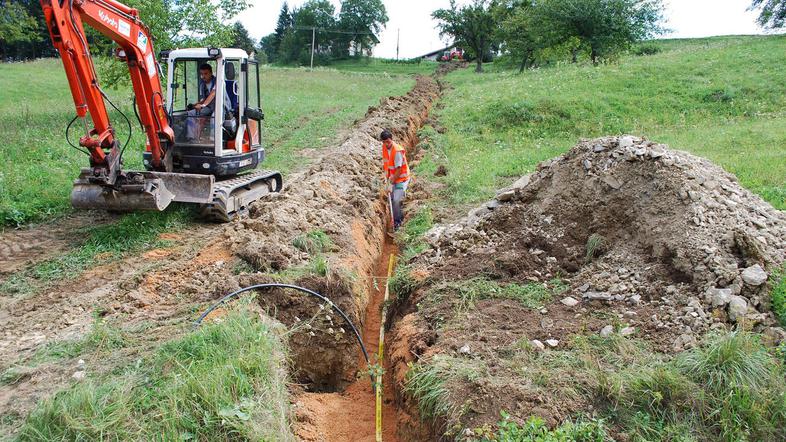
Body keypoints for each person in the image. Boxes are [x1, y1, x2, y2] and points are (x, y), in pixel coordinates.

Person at [380, 130, 410, 230]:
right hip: (392, 178)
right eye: (384, 142)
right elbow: (387, 164)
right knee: (392, 199)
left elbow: (399, 170)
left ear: (391, 140)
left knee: (397, 200)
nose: (386, 144)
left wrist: (390, 183)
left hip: (401, 179)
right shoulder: (384, 148)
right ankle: (394, 219)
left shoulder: (397, 151)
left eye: (388, 141)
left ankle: (398, 223)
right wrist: (387, 178)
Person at [186, 63, 217, 141]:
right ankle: (192, 137)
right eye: (202, 74)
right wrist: (194, 105)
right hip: (209, 107)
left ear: (211, 73)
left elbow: (213, 94)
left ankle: (213, 140)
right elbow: (204, 99)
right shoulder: (202, 84)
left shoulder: (218, 81)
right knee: (191, 113)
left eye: (205, 74)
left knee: (215, 117)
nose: (203, 76)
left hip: (220, 107)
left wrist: (203, 105)